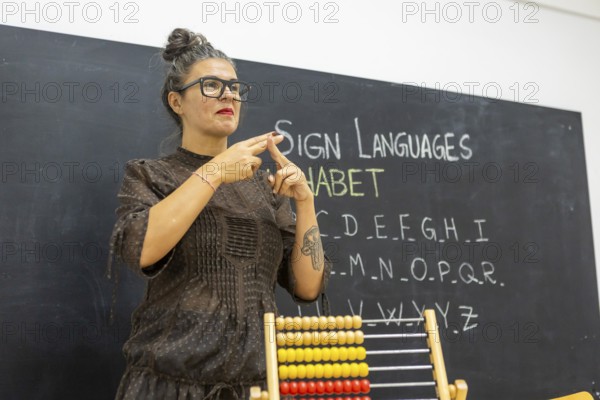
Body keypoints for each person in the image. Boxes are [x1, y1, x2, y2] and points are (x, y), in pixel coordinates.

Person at [107, 28, 331, 399]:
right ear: (176, 102)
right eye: (211, 85)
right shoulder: (151, 175)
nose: (228, 93)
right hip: (170, 384)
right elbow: (141, 248)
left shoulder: (263, 188)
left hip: (256, 386)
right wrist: (214, 171)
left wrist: (305, 203)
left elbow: (307, 288)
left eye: (234, 86)